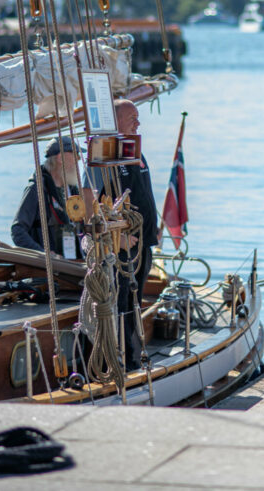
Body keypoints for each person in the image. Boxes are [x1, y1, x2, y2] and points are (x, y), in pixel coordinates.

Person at [86, 99, 157, 369]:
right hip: (121, 247)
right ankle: (123, 364)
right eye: (132, 118)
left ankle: (135, 357)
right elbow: (90, 201)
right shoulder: (105, 154)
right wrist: (118, 238)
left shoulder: (134, 151)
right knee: (123, 304)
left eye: (138, 118)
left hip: (143, 246)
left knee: (135, 304)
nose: (138, 123)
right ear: (114, 122)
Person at [11, 136, 82, 259]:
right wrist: (44, 254)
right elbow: (18, 231)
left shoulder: (73, 190)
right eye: (76, 157)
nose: (78, 161)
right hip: (50, 269)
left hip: (74, 264)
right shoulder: (37, 189)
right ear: (61, 158)